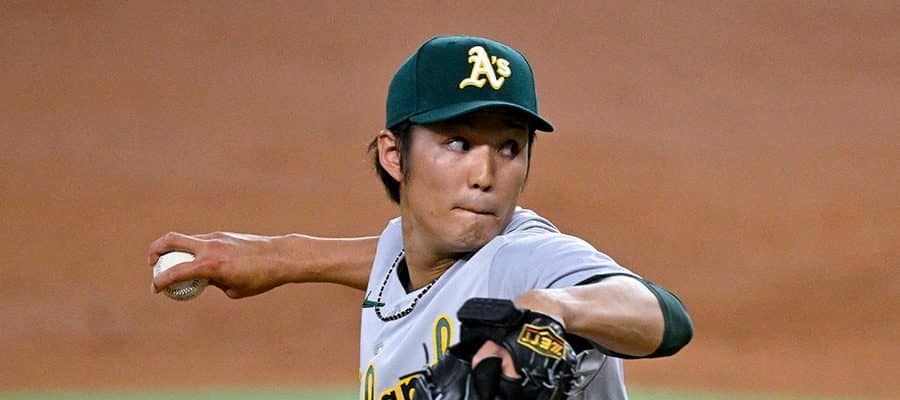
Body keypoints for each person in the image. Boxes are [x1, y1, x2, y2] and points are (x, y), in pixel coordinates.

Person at [148, 35, 692, 400]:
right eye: (458, 142)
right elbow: (394, 259)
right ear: (394, 154)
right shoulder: (409, 252)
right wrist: (277, 257)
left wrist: (554, 309)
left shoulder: (525, 259)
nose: (485, 174)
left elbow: (661, 317)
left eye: (509, 147)